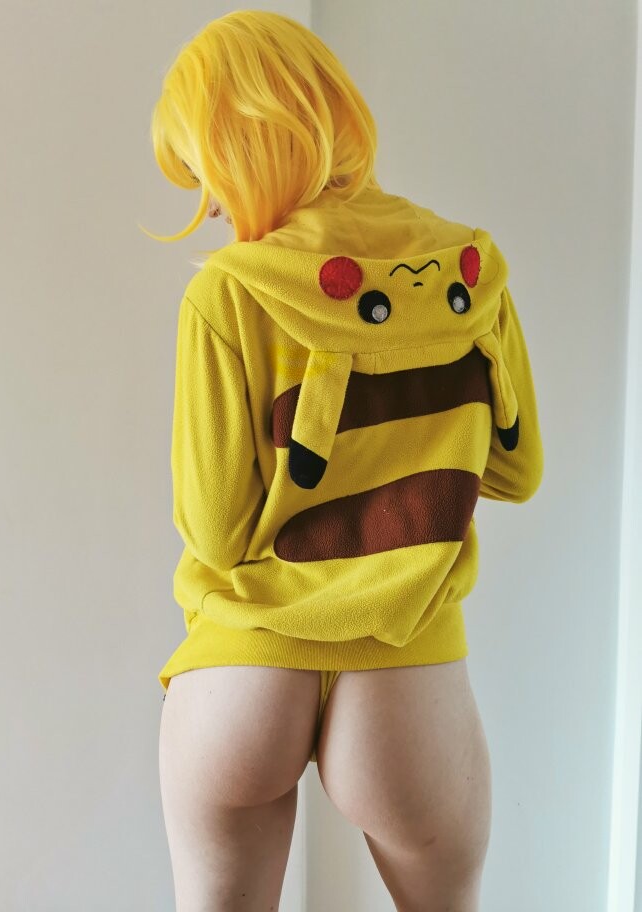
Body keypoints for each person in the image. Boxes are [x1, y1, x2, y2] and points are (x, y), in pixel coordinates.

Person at [144, 10, 544, 912]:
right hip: (407, 673)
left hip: (243, 670)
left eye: (202, 172)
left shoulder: (228, 292)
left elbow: (215, 530)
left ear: (240, 145)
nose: (210, 204)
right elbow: (518, 474)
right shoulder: (471, 271)